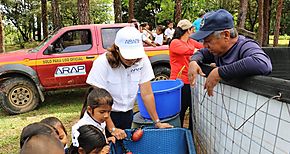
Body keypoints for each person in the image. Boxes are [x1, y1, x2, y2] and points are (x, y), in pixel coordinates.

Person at [86, 27, 173, 135]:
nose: (132, 60)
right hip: (103, 114)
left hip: (127, 113)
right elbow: (100, 100)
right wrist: (112, 129)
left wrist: (157, 122)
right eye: (128, 57)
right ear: (117, 49)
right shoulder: (102, 63)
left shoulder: (142, 60)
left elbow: (147, 94)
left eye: (135, 57)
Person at [188, 9, 272, 96]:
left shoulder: (245, 46)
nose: (204, 45)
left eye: (208, 41)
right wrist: (193, 61)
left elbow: (262, 63)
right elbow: (201, 53)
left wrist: (220, 72)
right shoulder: (217, 50)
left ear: (226, 35)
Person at [169, 19, 203, 131]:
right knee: (180, 110)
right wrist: (196, 50)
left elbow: (202, 48)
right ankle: (178, 133)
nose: (194, 30)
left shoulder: (190, 41)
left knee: (192, 109)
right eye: (192, 29)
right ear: (188, 30)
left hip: (190, 81)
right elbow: (188, 51)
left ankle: (190, 134)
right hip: (179, 83)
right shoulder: (175, 43)